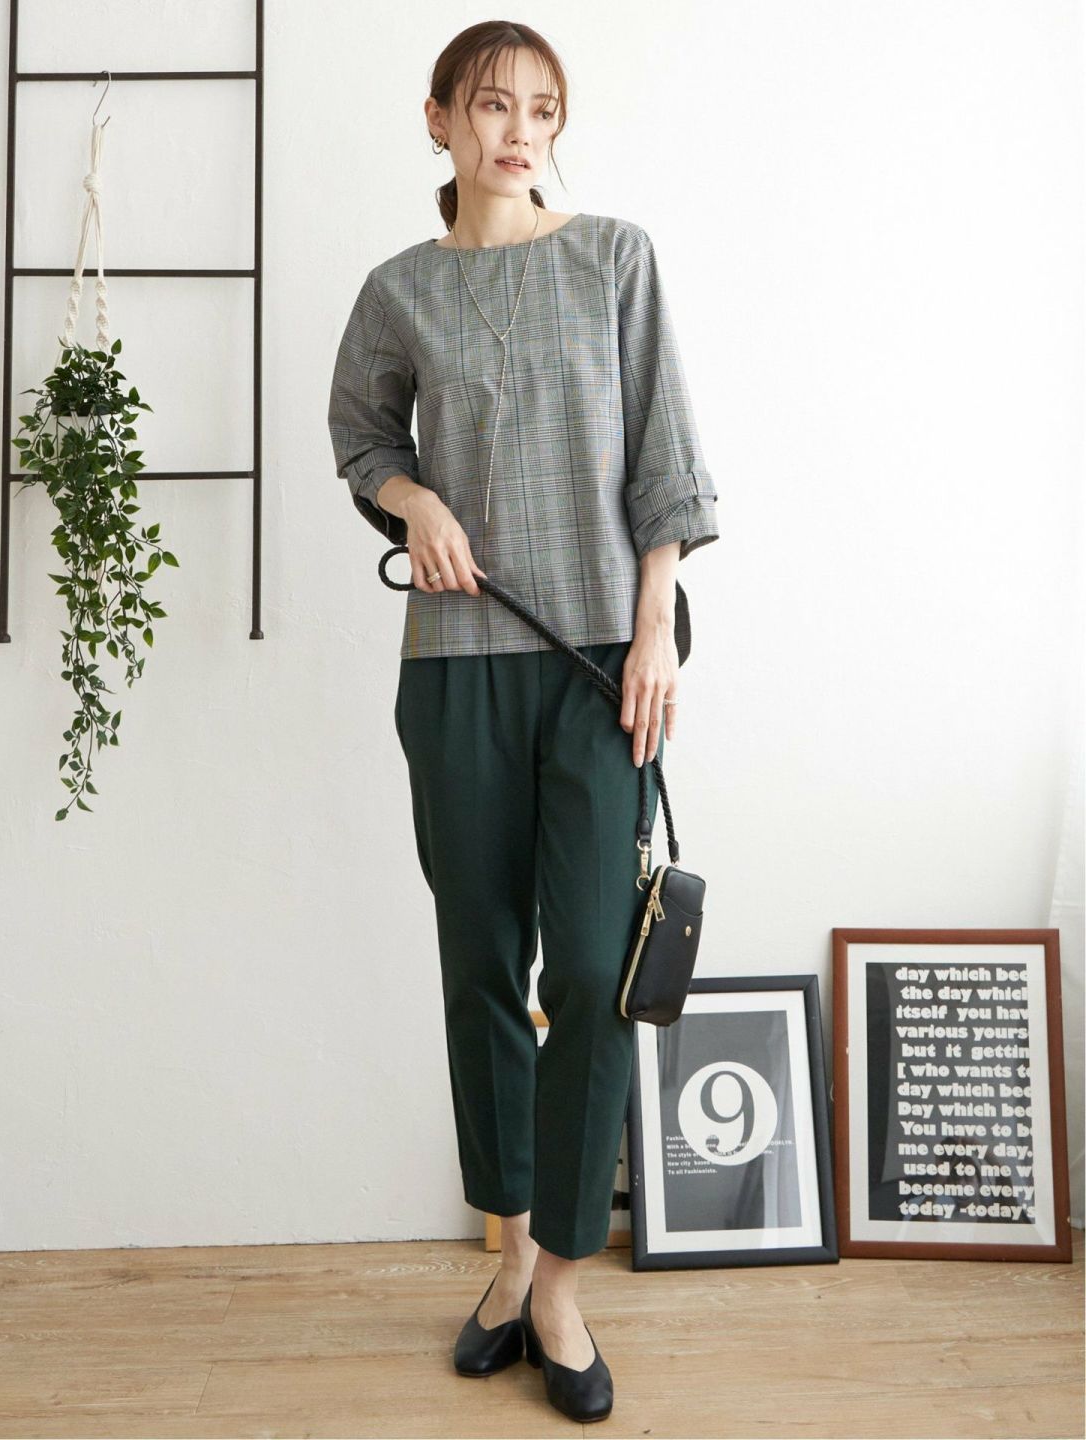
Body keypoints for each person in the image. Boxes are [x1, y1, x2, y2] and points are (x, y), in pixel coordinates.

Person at [327, 20, 719, 1424]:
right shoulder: (399, 291)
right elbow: (361, 439)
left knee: (596, 973)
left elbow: (666, 455)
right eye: (491, 105)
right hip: (456, 669)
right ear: (439, 118)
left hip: (603, 668)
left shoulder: (614, 257)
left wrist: (657, 625)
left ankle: (559, 1279)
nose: (518, 130)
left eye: (541, 108)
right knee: (480, 963)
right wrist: (414, 500)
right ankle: (505, 1259)